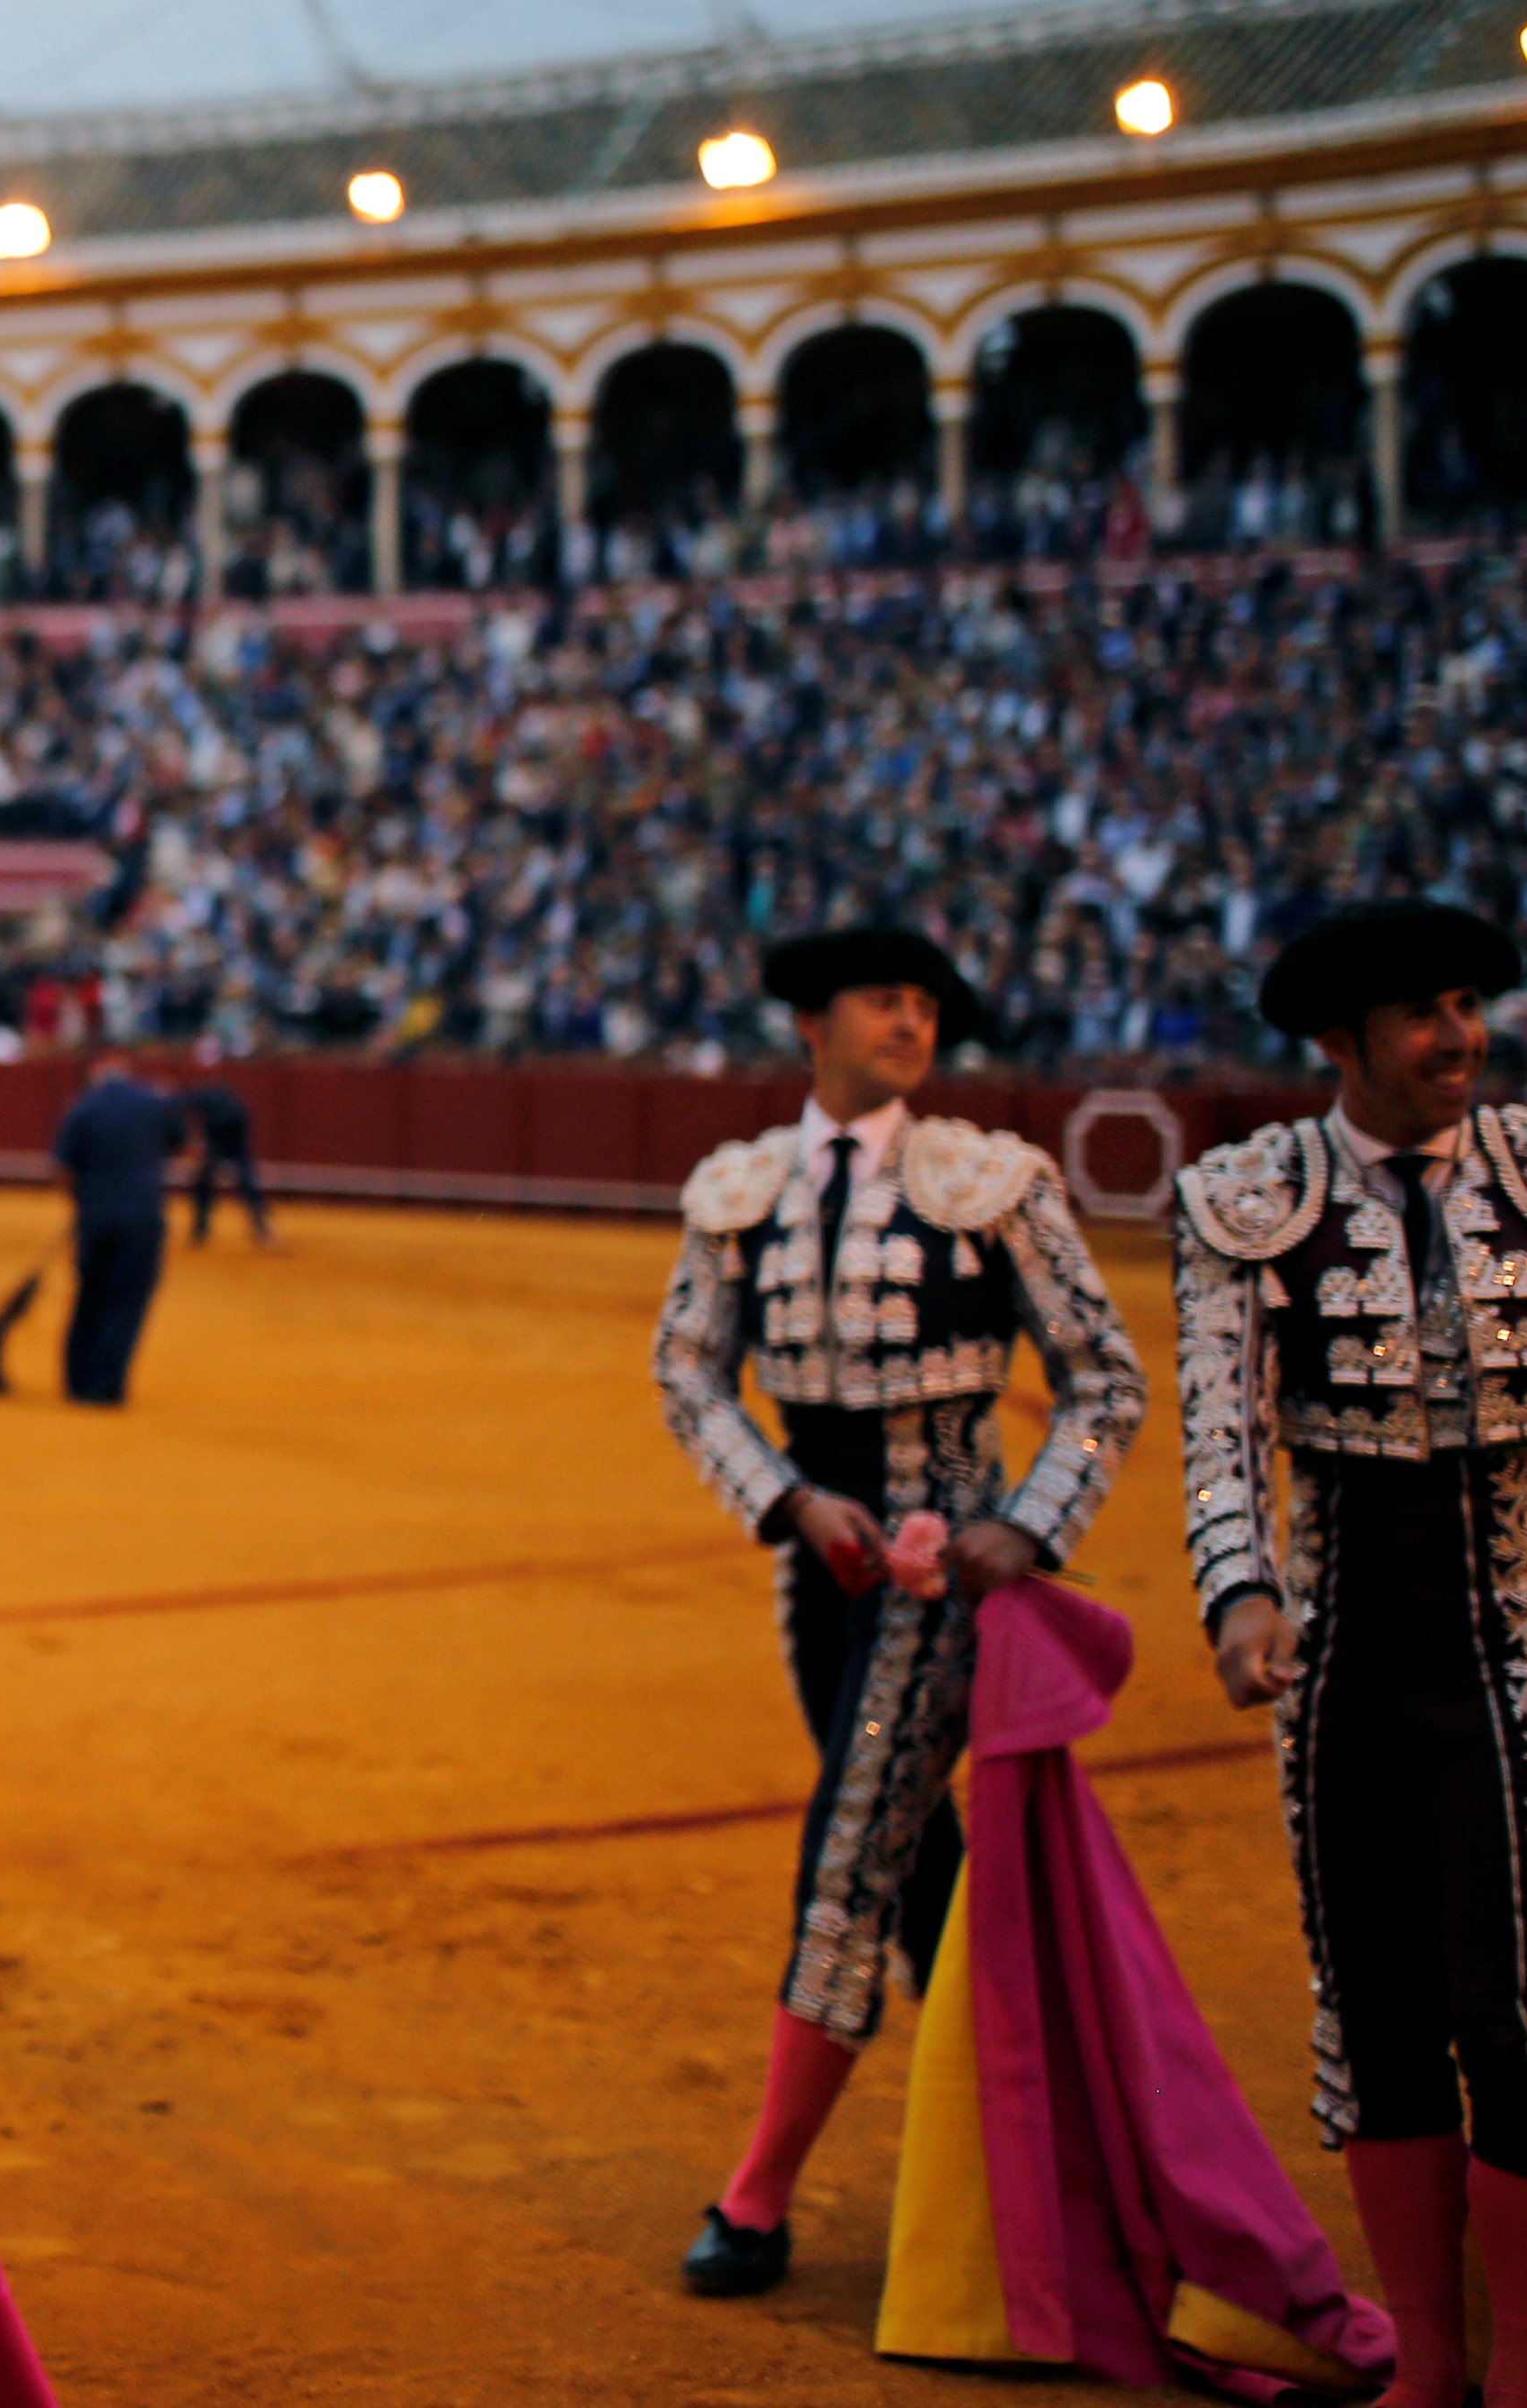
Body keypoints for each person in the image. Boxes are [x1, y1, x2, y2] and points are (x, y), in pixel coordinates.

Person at [650, 922, 1144, 2302]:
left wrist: (1023, 1525)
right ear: (810, 1018)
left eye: (923, 1003)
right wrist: (789, 1502)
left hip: (940, 1578)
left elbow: (1102, 1376)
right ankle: (1022, 2150)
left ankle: (755, 2194)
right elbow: (683, 1373)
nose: (908, 1022)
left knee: (848, 1851)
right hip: (813, 1568)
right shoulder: (737, 1189)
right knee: (916, 1860)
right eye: (881, 999)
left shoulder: (989, 1183)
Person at [1178, 895, 1527, 2408]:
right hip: (1343, 1655)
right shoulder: (1241, 1198)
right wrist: (1236, 1596)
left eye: (1467, 1007)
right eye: (1422, 1015)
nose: (1459, 1038)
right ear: (1338, 1044)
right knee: (1373, 2012)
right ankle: (1428, 2370)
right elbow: (1219, 1437)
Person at [49, 1046, 179, 1403]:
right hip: (141, 1217)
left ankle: (77, 1381)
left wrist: (83, 1203)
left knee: (90, 1297)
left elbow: (62, 1170)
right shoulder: (156, 1103)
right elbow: (181, 1146)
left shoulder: (83, 1108)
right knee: (125, 1302)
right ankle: (106, 1386)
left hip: (95, 1218)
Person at [174, 1063, 270, 1249]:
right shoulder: (232, 1103)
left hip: (224, 1141)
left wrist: (195, 1142)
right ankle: (261, 1228)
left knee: (204, 1182)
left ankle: (200, 1230)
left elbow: (180, 1107)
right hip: (233, 1142)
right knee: (246, 1182)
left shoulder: (201, 1097)